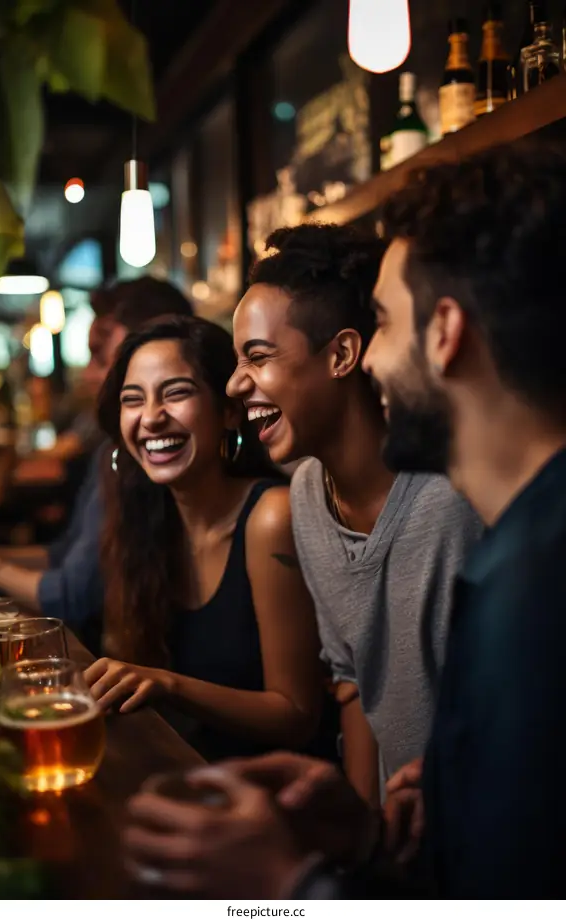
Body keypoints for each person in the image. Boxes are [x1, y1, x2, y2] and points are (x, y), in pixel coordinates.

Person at [122, 141, 566, 897]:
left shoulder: (527, 573)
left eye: (385, 323)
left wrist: (289, 886)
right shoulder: (509, 541)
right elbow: (356, 689)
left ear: (445, 331)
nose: (373, 360)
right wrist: (364, 837)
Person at [226, 223, 480, 802]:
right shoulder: (307, 495)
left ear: (342, 353)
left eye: (257, 357)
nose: (236, 384)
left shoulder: (455, 496)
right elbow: (353, 684)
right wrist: (369, 850)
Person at [84, 315, 324, 761]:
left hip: (279, 797)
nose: (152, 418)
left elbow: (296, 715)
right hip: (189, 775)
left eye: (176, 393)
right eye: (132, 400)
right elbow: (120, 661)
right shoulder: (141, 520)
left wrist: (168, 684)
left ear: (229, 410)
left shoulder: (271, 516)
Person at [0, 277, 193, 648]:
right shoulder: (112, 451)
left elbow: (74, 595)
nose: (89, 374)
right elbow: (68, 553)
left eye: (101, 356)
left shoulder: (143, 459)